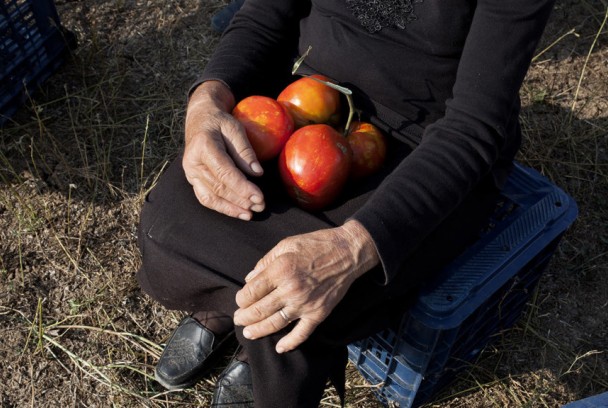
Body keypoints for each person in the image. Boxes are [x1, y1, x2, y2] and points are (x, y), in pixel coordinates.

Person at [136, 0, 555, 406]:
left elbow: (472, 128)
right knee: (167, 223)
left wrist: (354, 246)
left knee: (299, 314)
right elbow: (265, 17)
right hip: (305, 98)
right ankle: (228, 309)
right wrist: (206, 100)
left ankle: (253, 346)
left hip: (424, 148)